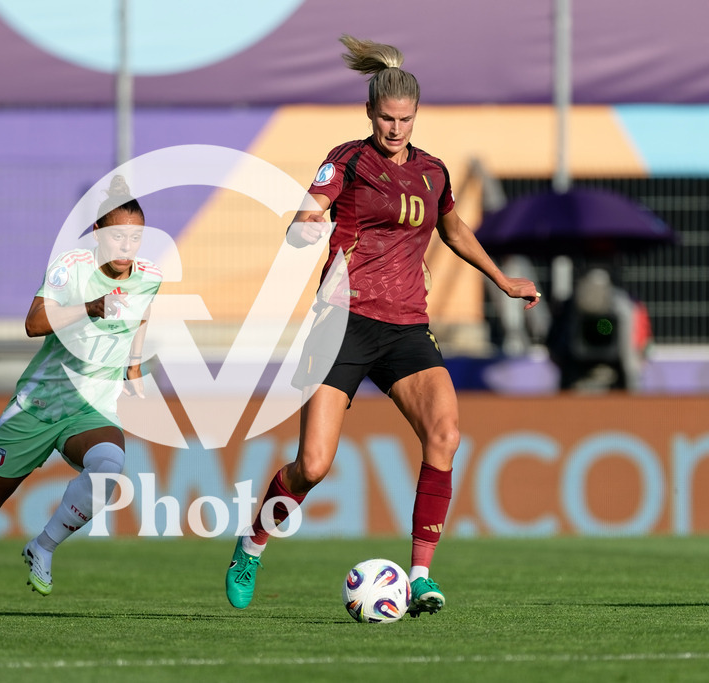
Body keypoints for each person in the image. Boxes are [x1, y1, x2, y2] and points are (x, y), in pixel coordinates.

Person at [224, 36, 541, 616]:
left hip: (406, 327)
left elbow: (453, 228)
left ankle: (420, 576)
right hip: (341, 323)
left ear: (416, 117)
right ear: (369, 114)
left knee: (445, 434)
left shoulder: (432, 171)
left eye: (405, 119)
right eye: (386, 118)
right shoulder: (348, 159)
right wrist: (304, 225)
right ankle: (252, 545)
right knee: (312, 466)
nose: (395, 128)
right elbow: (312, 205)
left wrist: (501, 278)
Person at [0, 175, 161, 615]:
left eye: (135, 237)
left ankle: (43, 547)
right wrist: (88, 307)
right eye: (117, 235)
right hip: (40, 404)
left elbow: (140, 316)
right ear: (98, 234)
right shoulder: (71, 267)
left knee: (108, 469)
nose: (127, 246)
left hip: (90, 406)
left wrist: (134, 364)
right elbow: (33, 323)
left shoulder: (150, 277)